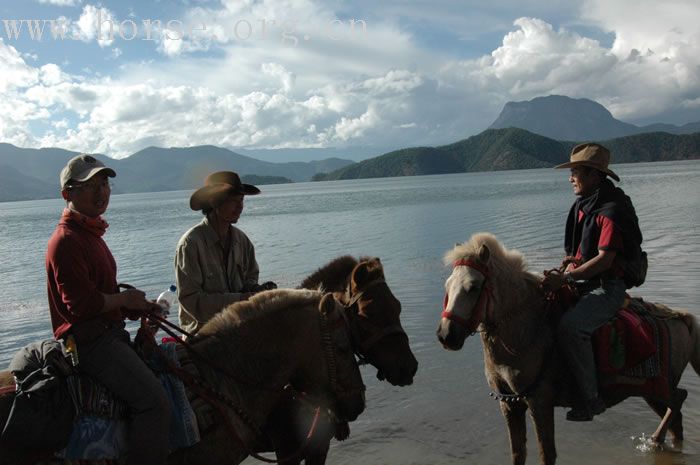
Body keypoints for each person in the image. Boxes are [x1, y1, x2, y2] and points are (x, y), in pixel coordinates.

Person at [46, 154, 171, 464]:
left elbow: (102, 293)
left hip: (107, 334)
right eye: (90, 186)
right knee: (156, 404)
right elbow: (81, 304)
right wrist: (124, 301)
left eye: (105, 184)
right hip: (91, 343)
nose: (101, 192)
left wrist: (139, 307)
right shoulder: (67, 240)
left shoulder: (90, 234)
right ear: (68, 194)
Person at [541, 143, 644, 422]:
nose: (570, 177)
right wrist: (562, 271)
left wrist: (565, 278)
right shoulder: (583, 206)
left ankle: (591, 398)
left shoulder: (610, 210)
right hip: (582, 283)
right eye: (572, 171)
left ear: (595, 176)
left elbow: (603, 261)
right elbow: (577, 254)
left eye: (576, 171)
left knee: (571, 328)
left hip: (606, 287)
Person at [175, 170, 275, 335]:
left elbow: (250, 279)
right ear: (214, 203)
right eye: (233, 201)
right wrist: (241, 300)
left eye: (241, 200)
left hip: (239, 327)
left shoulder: (242, 241)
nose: (240, 207)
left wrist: (258, 291)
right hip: (204, 334)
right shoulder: (191, 244)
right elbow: (192, 301)